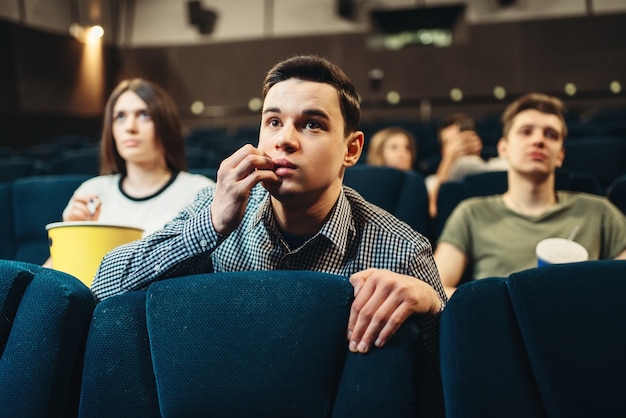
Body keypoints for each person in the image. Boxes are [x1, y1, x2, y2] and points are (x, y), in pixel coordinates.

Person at [92, 55, 446, 416]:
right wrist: (212, 225)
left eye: (312, 125)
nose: (285, 140)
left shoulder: (401, 249)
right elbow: (103, 287)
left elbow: (444, 395)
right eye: (274, 122)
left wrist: (432, 307)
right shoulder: (212, 208)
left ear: (351, 149)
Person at [434, 93, 626, 298]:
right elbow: (435, 288)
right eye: (526, 132)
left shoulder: (599, 211)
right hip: (499, 326)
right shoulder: (471, 212)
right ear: (503, 148)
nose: (538, 140)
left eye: (550, 134)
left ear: (560, 155)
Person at [44, 79, 214, 267]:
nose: (130, 127)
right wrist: (69, 234)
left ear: (165, 125)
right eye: (120, 117)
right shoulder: (92, 191)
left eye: (144, 115)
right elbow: (53, 277)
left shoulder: (201, 192)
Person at [425, 113, 507, 218]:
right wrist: (449, 159)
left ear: (478, 140)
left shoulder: (497, 165)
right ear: (443, 151)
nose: (459, 144)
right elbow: (433, 212)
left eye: (463, 138)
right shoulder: (432, 182)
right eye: (451, 142)